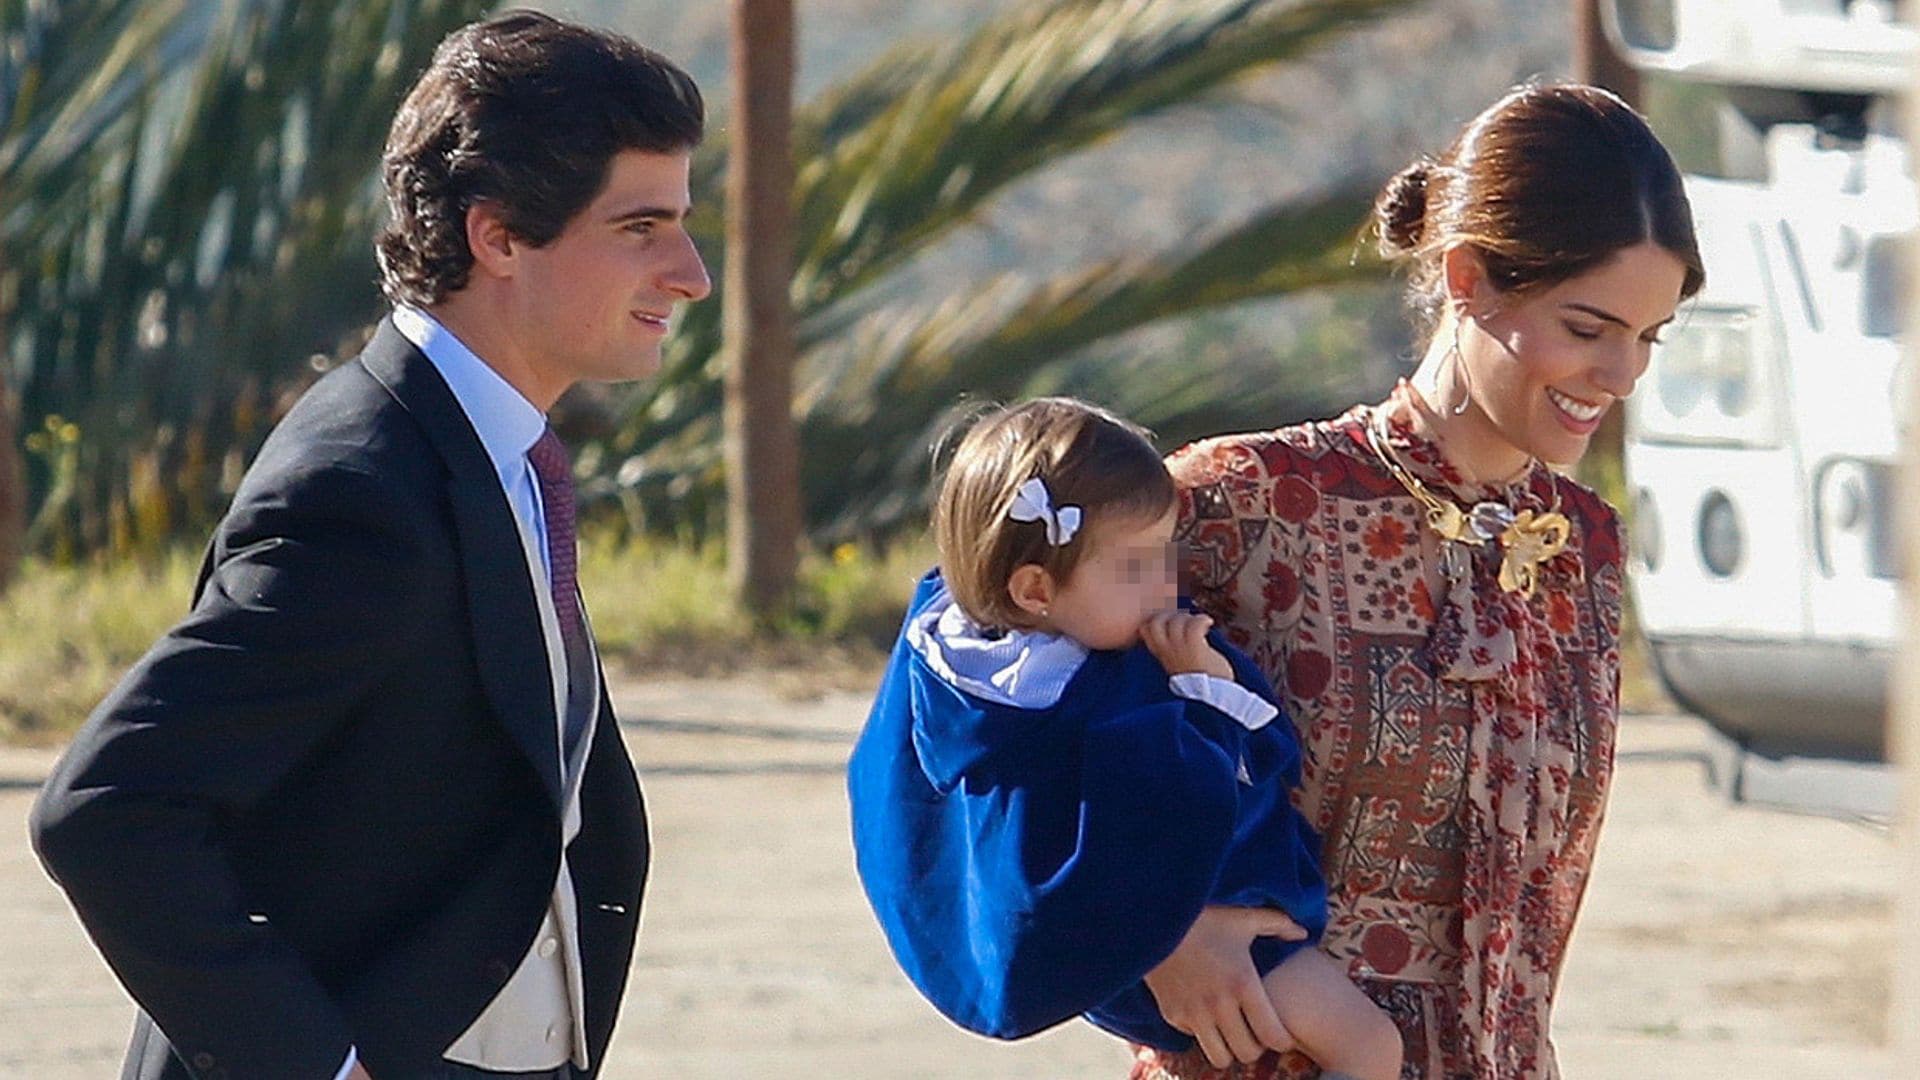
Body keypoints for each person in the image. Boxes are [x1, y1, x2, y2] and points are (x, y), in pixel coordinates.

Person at [29, 11, 710, 1080]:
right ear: (498, 236)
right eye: (641, 227)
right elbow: (110, 808)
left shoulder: (497, 457)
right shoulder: (364, 490)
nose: (691, 273)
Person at [1129, 82, 1705, 1080]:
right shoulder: (1242, 503)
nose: (1621, 374)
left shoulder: (1587, 549)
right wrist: (1163, 939)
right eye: (1587, 327)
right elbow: (1011, 726)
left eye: (1649, 338)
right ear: (1470, 276)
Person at [848, 398, 1402, 1080]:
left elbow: (888, 800)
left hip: (1092, 960)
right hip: (1198, 946)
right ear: (1033, 588)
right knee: (1371, 1048)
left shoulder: (945, 672)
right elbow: (1236, 774)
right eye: (1138, 565)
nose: (1168, 583)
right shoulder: (1115, 690)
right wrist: (1206, 687)